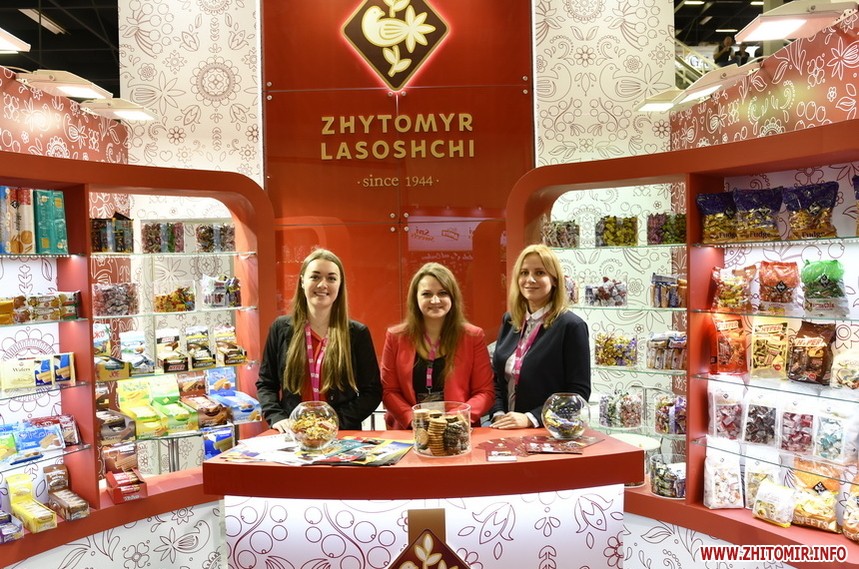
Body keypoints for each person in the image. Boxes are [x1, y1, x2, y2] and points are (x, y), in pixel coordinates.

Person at [256, 248, 382, 432]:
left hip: (341, 435)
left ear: (340, 285)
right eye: (315, 277)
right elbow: (266, 383)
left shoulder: (357, 333)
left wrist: (336, 421)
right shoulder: (280, 328)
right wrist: (276, 416)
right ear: (302, 281)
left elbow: (372, 392)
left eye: (331, 278)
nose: (323, 284)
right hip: (293, 435)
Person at [381, 262, 495, 429]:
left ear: (453, 297)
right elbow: (389, 391)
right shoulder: (395, 337)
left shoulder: (473, 336)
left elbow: (485, 392)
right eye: (426, 294)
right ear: (415, 298)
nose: (435, 300)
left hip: (458, 429)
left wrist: (454, 418)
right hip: (410, 431)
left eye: (442, 293)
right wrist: (414, 419)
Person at [489, 244, 591, 429]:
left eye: (539, 273)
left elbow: (578, 393)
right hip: (504, 428)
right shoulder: (510, 320)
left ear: (554, 280)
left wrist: (531, 418)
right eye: (524, 273)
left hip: (547, 431)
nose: (530, 279)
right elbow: (496, 379)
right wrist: (498, 413)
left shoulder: (571, 326)